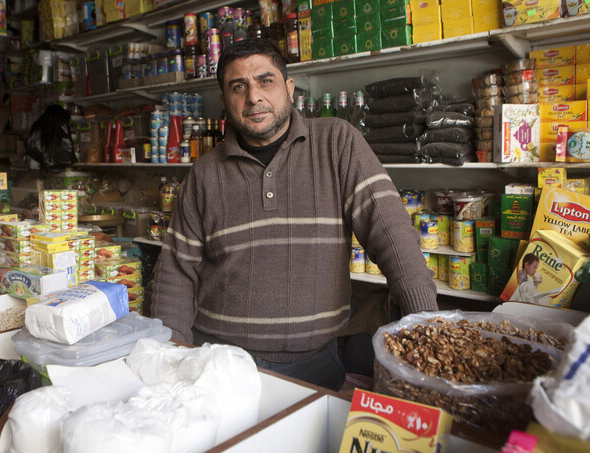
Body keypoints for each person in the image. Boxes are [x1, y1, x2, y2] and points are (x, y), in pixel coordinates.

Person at [151, 39, 438, 391]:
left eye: (265, 81)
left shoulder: (337, 142)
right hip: (218, 364)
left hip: (313, 365)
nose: (253, 96)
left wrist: (427, 330)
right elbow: (176, 275)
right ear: (226, 102)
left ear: (289, 89)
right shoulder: (205, 174)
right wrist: (167, 361)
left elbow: (394, 237)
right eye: (238, 87)